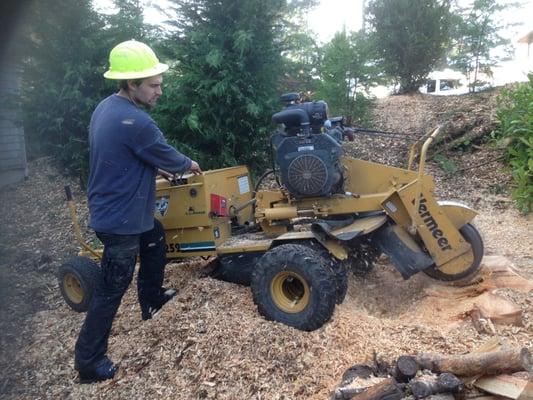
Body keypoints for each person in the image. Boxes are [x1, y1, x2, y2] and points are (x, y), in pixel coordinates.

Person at [74, 40, 202, 384]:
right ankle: (89, 361)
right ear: (132, 84)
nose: (160, 91)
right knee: (112, 285)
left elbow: (122, 152)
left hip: (112, 206)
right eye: (154, 85)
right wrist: (189, 164)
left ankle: (152, 299)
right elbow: (169, 156)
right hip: (120, 219)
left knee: (155, 237)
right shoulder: (136, 121)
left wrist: (152, 168)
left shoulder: (106, 108)